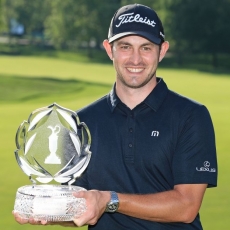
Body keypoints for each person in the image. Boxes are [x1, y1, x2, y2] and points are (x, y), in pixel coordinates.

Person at [13, 3, 217, 229]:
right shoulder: (79, 125)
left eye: (146, 48)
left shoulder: (191, 116)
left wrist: (110, 199)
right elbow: (82, 208)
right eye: (125, 47)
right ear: (110, 49)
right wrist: (48, 211)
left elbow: (187, 206)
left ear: (163, 50)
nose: (136, 59)